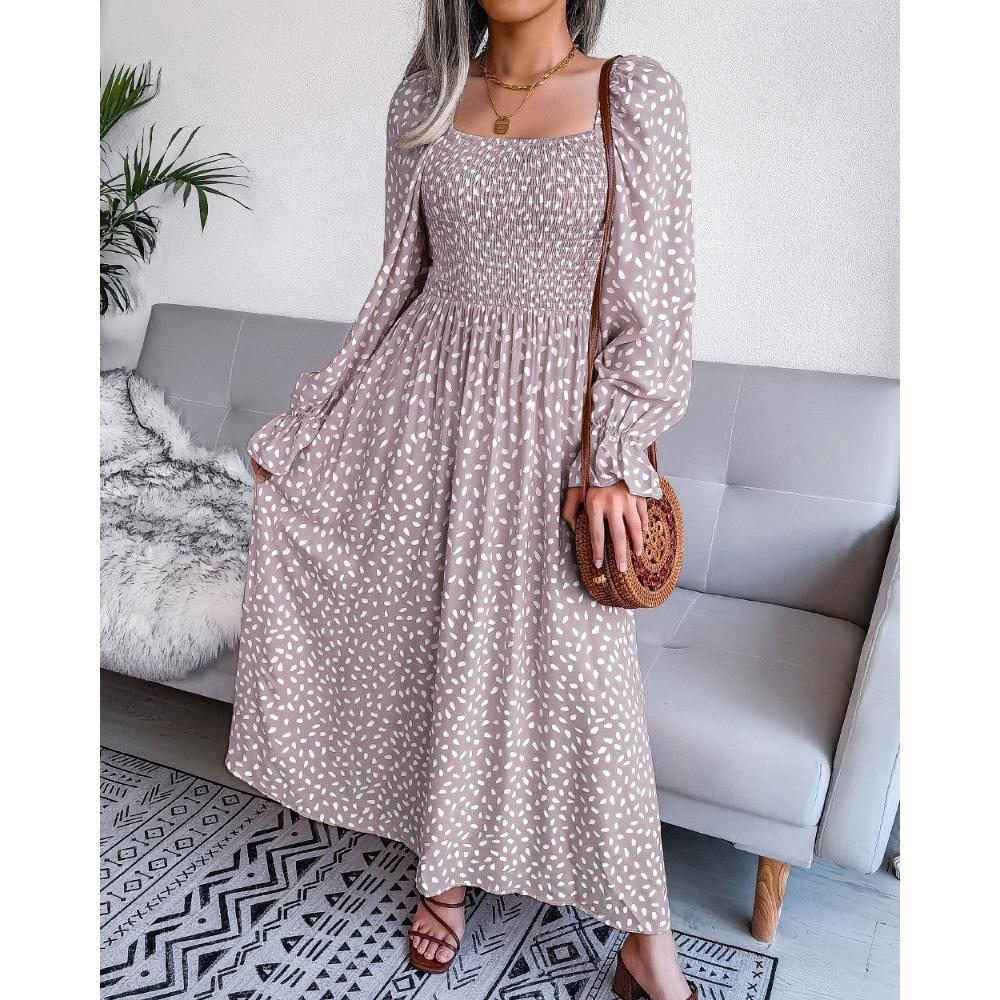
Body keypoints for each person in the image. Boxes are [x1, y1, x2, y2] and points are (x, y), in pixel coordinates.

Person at [226, 2, 697, 997]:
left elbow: (655, 300)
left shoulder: (634, 93)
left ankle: (644, 940)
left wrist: (613, 452)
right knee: (422, 639)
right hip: (420, 414)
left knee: (590, 688)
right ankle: (440, 872)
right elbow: (397, 282)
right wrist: (310, 425)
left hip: (557, 437)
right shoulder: (423, 100)